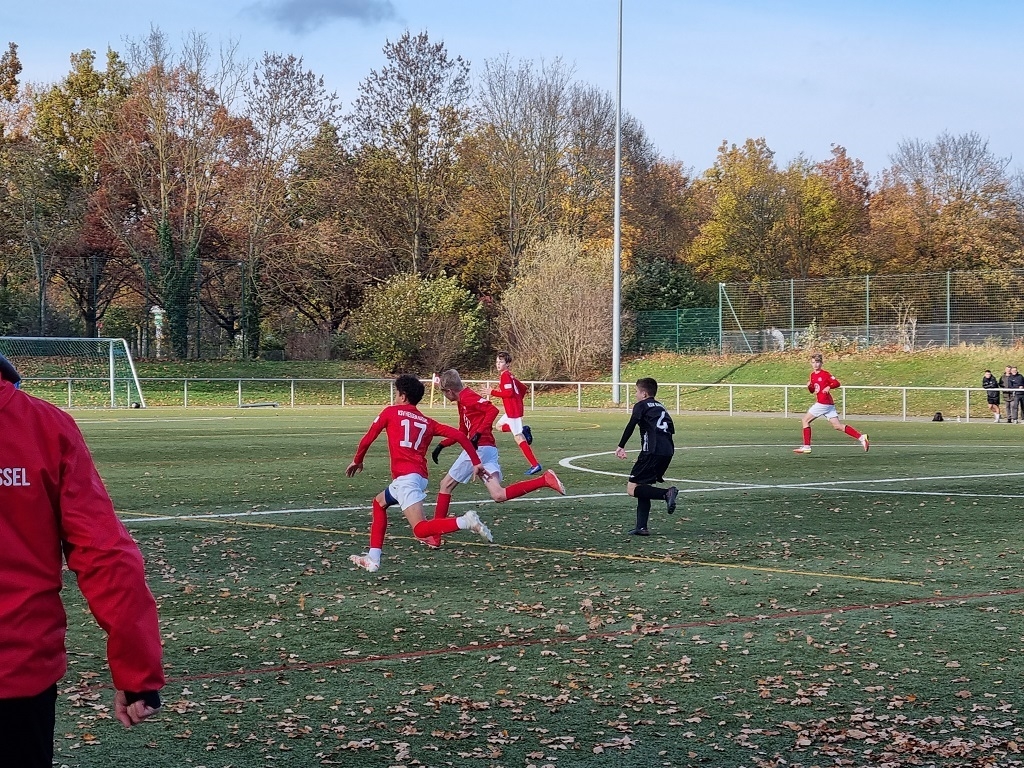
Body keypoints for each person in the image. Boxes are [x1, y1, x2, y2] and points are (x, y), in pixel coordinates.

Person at [0, 355, 164, 767]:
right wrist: (137, 672)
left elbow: (105, 556)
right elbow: (106, 554)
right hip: (17, 677)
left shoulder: (45, 426)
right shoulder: (44, 425)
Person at [346, 374, 495, 572]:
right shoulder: (427, 422)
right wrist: (476, 462)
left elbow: (368, 438)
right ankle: (373, 558)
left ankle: (465, 521)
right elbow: (460, 435)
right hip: (419, 477)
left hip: (406, 479)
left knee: (420, 529)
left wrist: (358, 460)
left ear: (403, 396)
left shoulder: (391, 412)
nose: (395, 397)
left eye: (397, 394)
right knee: (379, 503)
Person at [428, 369, 566, 547]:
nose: (445, 397)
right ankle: (545, 480)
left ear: (449, 391)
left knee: (445, 485)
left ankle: (435, 534)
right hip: (488, 449)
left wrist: (478, 434)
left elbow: (492, 410)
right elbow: (462, 431)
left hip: (480, 449)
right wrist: (442, 445)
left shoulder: (467, 397)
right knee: (498, 495)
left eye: (444, 393)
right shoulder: (462, 400)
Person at [614, 377, 679, 536]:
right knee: (643, 486)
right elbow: (670, 429)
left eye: (636, 391)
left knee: (632, 489)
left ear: (644, 394)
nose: (635, 395)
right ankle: (641, 527)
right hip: (667, 451)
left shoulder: (641, 405)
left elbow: (631, 424)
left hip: (652, 451)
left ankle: (667, 493)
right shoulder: (661, 406)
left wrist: (621, 446)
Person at [794, 353, 869, 454]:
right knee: (837, 426)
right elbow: (812, 391)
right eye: (813, 362)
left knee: (805, 421)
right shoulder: (812, 375)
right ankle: (862, 438)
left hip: (823, 403)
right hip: (828, 404)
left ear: (821, 363)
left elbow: (837, 383)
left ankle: (807, 447)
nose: (815, 364)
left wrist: (829, 386)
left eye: (817, 362)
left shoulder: (825, 374)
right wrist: (809, 386)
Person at [489, 351, 542, 475]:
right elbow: (523, 388)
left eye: (501, 362)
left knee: (518, 437)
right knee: (499, 426)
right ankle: (523, 430)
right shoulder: (509, 375)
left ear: (507, 364)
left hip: (513, 411)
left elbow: (509, 393)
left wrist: (492, 392)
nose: (498, 364)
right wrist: (518, 401)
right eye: (497, 362)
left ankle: (535, 465)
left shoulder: (505, 376)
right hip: (512, 409)